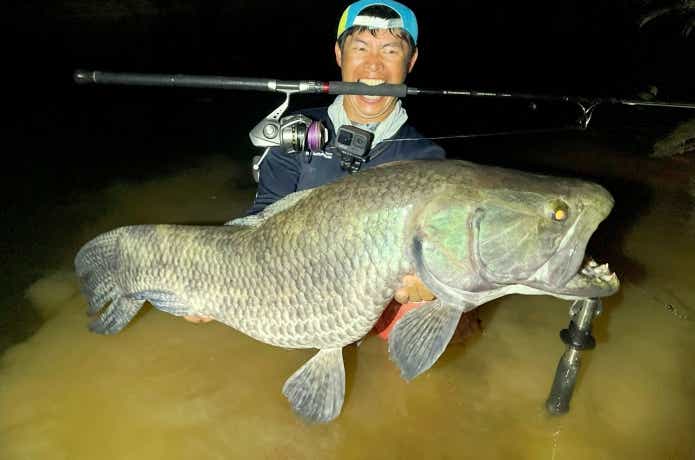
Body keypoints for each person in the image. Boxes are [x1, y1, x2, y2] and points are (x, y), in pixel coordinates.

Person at [185, 0, 481, 342]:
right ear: (339, 54)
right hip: (300, 287)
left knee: (449, 324)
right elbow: (259, 223)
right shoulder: (296, 132)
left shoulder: (427, 159)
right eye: (360, 48)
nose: (373, 66)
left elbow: (448, 252)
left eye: (390, 50)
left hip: (382, 294)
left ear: (410, 61)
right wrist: (210, 275)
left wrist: (434, 287)